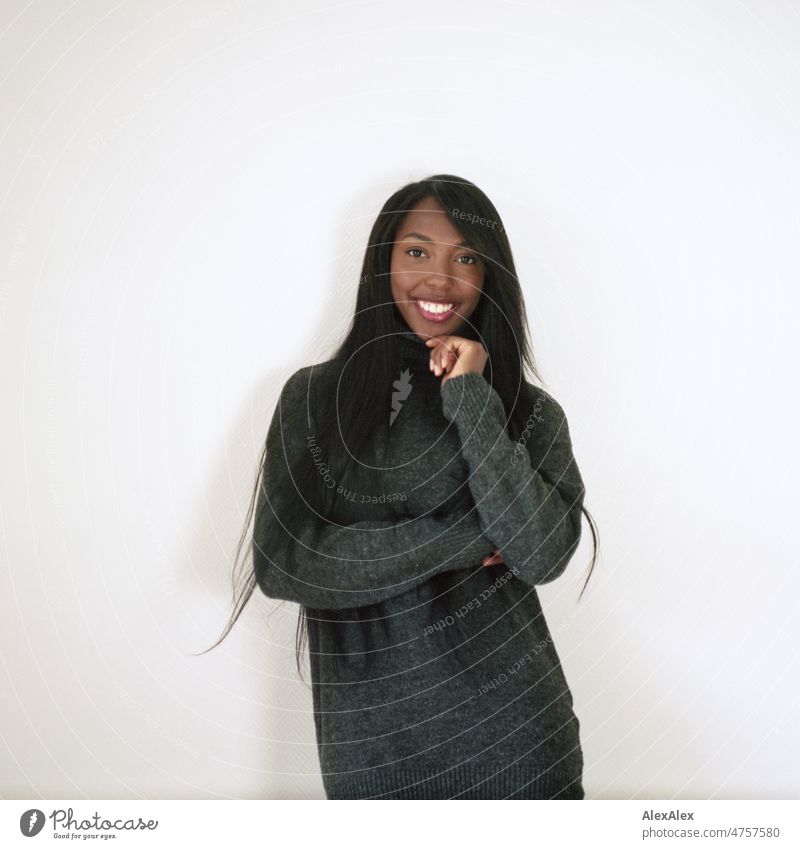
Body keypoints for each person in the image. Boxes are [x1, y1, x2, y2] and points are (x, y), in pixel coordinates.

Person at [204, 174, 599, 799]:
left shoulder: (525, 412)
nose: (439, 279)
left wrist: (472, 397)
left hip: (520, 752)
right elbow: (288, 566)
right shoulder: (314, 399)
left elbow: (543, 553)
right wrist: (472, 536)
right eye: (416, 252)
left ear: (490, 274)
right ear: (381, 261)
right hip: (372, 761)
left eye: (465, 257)